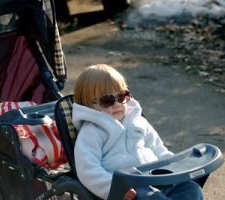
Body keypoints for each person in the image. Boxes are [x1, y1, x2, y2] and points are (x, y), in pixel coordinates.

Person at [72, 64, 204, 200]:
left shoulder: (137, 120)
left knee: (190, 188)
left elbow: (158, 148)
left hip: (157, 178)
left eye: (122, 96)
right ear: (89, 105)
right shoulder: (92, 131)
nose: (117, 104)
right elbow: (88, 169)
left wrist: (176, 169)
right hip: (129, 188)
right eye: (107, 100)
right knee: (153, 197)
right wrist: (114, 188)